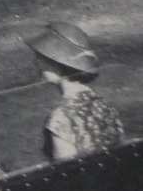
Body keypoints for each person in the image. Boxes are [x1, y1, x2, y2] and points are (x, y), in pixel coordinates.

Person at [26, 21, 124, 161]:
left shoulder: (61, 120)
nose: (36, 63)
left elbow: (67, 176)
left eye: (42, 57)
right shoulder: (106, 107)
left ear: (59, 63)